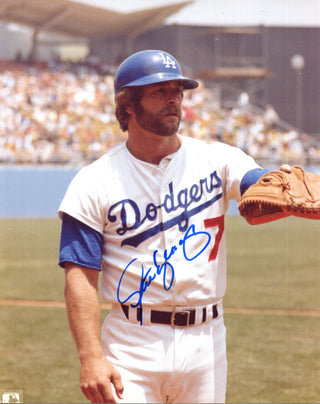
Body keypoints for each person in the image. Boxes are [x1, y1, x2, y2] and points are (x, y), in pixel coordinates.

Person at [58, 49, 268, 403]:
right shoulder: (94, 180)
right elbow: (79, 274)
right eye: (159, 91)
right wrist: (91, 356)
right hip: (131, 343)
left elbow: (257, 181)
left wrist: (274, 183)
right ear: (127, 105)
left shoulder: (217, 159)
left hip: (206, 342)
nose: (174, 98)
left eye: (178, 90)